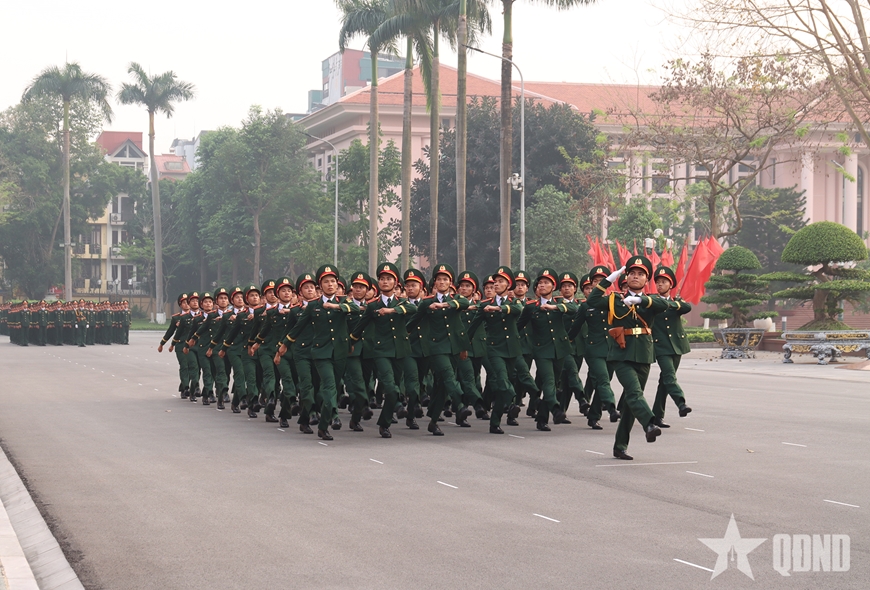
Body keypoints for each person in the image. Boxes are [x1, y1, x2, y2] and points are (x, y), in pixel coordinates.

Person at [585, 257, 674, 460]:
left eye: (640, 274)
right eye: (632, 273)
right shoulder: (614, 299)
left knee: (632, 403)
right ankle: (650, 423)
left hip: (643, 354)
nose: (636, 277)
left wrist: (640, 300)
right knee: (634, 393)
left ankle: (620, 446)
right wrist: (609, 279)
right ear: (626, 276)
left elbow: (664, 304)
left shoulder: (651, 300)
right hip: (621, 354)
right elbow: (591, 301)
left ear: (646, 279)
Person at [283, 265, 358, 441]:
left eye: (333, 281)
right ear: (320, 286)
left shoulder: (343, 301)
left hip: (340, 353)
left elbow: (357, 309)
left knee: (334, 390)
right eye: (326, 282)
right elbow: (297, 328)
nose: (330, 285)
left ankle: (323, 426)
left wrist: (337, 307)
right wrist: (284, 345)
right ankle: (332, 418)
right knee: (329, 387)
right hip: (321, 353)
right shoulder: (313, 306)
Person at [349, 263, 417, 439]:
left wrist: (392, 310)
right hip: (380, 351)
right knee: (391, 389)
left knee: (393, 390)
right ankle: (381, 417)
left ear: (395, 282)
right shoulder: (373, 305)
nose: (385, 282)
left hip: (400, 351)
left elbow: (414, 308)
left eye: (389, 279)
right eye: (382, 279)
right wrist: (350, 342)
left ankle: (384, 423)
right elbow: (359, 327)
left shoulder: (402, 302)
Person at [415, 263, 473, 432]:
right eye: (439, 279)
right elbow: (413, 322)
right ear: (434, 282)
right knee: (448, 376)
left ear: (450, 283)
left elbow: (464, 303)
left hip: (453, 348)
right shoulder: (427, 303)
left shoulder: (456, 300)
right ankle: (460, 404)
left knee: (442, 386)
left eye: (445, 279)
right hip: (435, 347)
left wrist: (444, 305)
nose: (442, 282)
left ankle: (433, 421)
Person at [468, 266, 527, 434]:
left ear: (508, 285)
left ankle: (495, 421)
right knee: (503, 382)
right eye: (495, 282)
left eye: (500, 282)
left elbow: (518, 310)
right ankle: (512, 401)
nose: (496, 284)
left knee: (504, 387)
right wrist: (463, 344)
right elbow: (473, 327)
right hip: (493, 349)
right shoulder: (486, 304)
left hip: (511, 349)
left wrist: (499, 308)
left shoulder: (514, 302)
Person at [517, 269, 575, 431]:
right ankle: (556, 409)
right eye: (540, 283)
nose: (542, 285)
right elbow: (518, 327)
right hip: (541, 351)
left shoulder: (560, 303)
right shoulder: (530, 307)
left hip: (560, 349)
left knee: (554, 383)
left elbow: (575, 310)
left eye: (546, 283)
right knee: (549, 381)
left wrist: (556, 308)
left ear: (553, 286)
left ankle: (542, 418)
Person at [569, 265, 621, 430]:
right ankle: (612, 408)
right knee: (603, 380)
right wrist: (566, 342)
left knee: (602, 384)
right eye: (596, 282)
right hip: (594, 349)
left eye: (602, 281)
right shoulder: (586, 306)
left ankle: (593, 415)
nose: (599, 285)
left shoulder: (614, 301)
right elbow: (576, 327)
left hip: (611, 349)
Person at [650, 265, 693, 427]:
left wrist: (670, 304)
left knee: (665, 381)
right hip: (660, 347)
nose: (660, 285)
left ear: (671, 285)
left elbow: (687, 307)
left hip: (677, 345)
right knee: (669, 376)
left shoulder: (677, 302)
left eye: (664, 282)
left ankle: (657, 416)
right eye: (658, 282)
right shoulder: (652, 301)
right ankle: (681, 403)